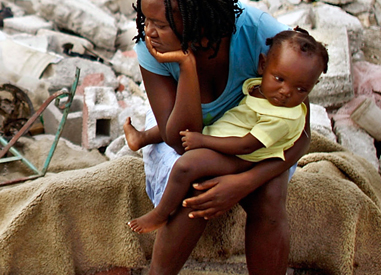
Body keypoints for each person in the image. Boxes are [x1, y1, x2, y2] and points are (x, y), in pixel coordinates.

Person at [120, 0, 309, 275]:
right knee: (194, 188)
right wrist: (184, 65)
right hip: (192, 143)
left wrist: (243, 184)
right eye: (145, 20)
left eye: (161, 23)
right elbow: (179, 135)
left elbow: (299, 135)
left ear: (202, 18)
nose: (149, 31)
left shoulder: (262, 36)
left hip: (253, 144)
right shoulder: (153, 50)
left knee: (268, 202)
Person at [124, 29, 328, 234]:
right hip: (229, 132)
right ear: (263, 65)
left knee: (185, 166)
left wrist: (203, 141)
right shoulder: (262, 88)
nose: (286, 92)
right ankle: (142, 138)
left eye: (301, 89)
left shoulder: (283, 117)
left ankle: (161, 214)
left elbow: (246, 145)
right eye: (279, 79)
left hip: (243, 156)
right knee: (187, 121)